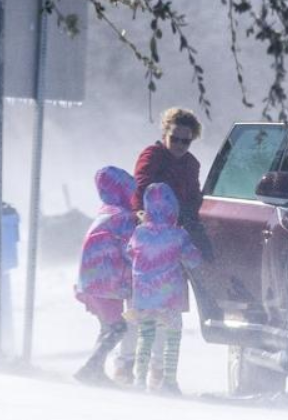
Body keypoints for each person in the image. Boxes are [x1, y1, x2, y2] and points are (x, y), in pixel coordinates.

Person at [120, 107, 209, 387]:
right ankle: (127, 363)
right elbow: (142, 187)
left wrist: (192, 229)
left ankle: (159, 369)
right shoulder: (152, 155)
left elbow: (193, 198)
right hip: (146, 238)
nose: (180, 146)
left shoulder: (191, 164)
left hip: (173, 241)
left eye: (186, 141)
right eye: (176, 139)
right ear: (165, 134)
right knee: (140, 308)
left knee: (166, 308)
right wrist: (146, 216)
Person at [127, 182, 203, 394]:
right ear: (174, 208)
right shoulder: (178, 234)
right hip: (169, 298)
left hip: (143, 298)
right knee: (172, 336)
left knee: (146, 335)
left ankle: (139, 380)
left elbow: (129, 252)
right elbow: (193, 259)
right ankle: (169, 382)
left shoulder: (139, 233)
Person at [72, 166, 137, 386]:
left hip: (90, 281)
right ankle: (89, 367)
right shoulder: (123, 217)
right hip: (108, 284)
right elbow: (130, 249)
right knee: (118, 327)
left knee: (108, 327)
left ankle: (95, 369)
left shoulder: (104, 213)